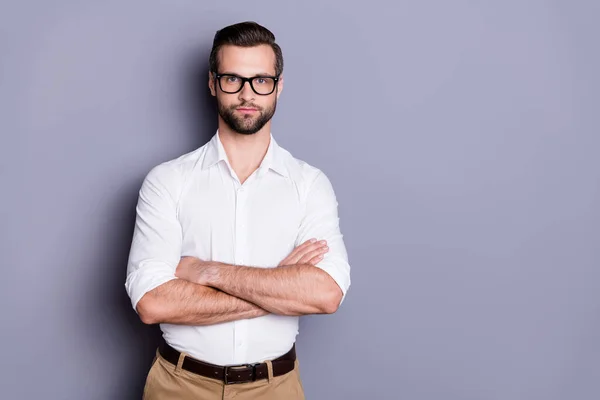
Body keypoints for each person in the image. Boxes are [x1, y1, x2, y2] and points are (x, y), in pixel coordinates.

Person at [125, 21, 351, 400]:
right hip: (179, 386)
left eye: (261, 80)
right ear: (213, 84)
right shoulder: (167, 181)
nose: (247, 94)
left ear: (279, 86)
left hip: (275, 388)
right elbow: (152, 302)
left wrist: (207, 271)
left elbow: (326, 294)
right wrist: (278, 285)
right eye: (233, 79)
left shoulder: (309, 184)